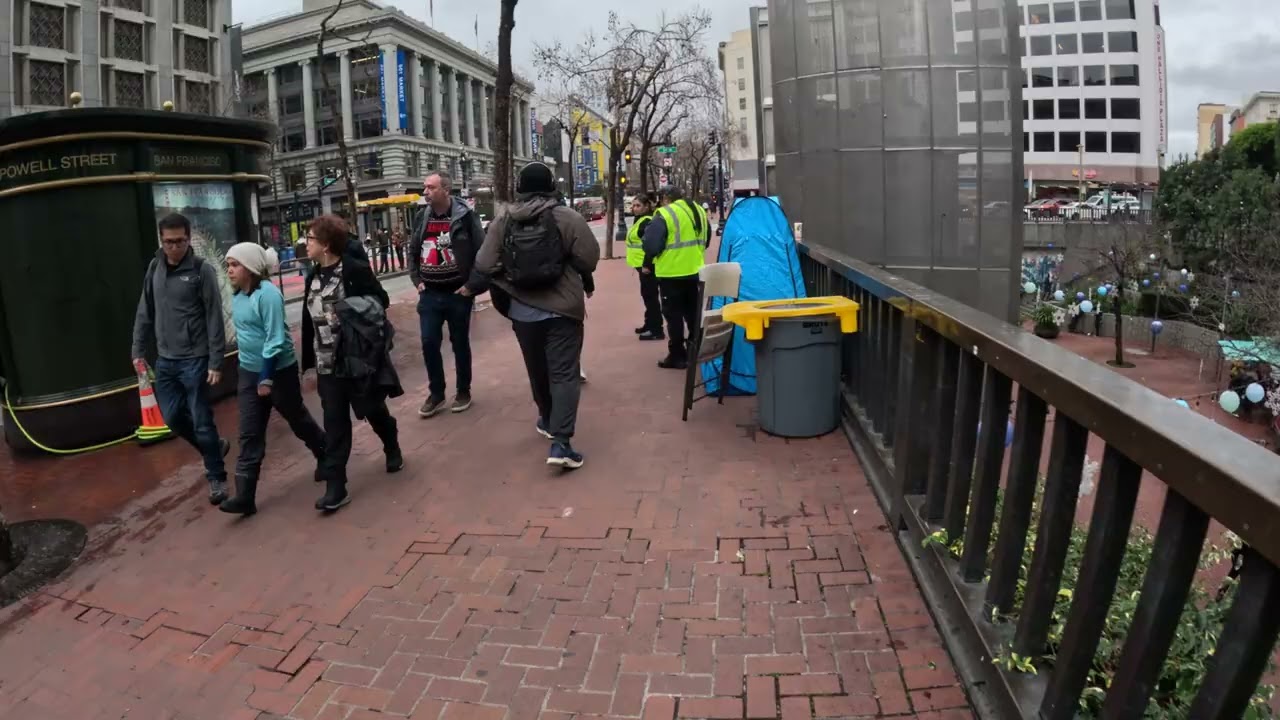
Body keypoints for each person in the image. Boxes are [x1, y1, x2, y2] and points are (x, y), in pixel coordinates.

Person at [475, 162, 599, 468]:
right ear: (550, 187)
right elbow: (589, 258)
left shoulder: (503, 221)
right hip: (563, 310)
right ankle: (561, 444)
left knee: (537, 370)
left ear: (520, 188)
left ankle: (545, 418)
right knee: (564, 374)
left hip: (523, 313)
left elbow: (484, 263)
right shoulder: (567, 217)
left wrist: (513, 278)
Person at [301, 214, 404, 512]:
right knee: (334, 423)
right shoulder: (313, 275)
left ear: (326, 243)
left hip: (356, 359)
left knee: (372, 409)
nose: (305, 243)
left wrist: (351, 310)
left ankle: (391, 442)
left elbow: (380, 301)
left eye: (310, 238)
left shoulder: (354, 270)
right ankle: (337, 486)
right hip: (327, 364)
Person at [219, 243, 326, 516]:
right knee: (249, 431)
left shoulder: (268, 295)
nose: (229, 270)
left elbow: (275, 338)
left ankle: (325, 453)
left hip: (279, 371)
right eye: (228, 265)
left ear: (251, 267)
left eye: (235, 265)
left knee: (296, 417)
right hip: (248, 371)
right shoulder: (238, 295)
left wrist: (266, 377)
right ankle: (245, 495)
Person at [131, 213, 231, 504]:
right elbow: (144, 311)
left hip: (196, 359)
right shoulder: (154, 268)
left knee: (201, 419)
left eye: (180, 241)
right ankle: (213, 447)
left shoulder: (202, 271)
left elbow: (215, 317)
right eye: (168, 242)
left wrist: (216, 360)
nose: (174, 247)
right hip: (166, 361)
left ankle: (217, 477)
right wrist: (137, 348)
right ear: (161, 241)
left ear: (189, 240)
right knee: (173, 418)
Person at [408, 171, 487, 418]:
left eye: (430, 188)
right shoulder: (422, 217)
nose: (425, 192)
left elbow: (482, 253)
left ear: (445, 189)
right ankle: (437, 393)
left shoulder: (465, 216)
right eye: (425, 188)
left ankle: (463, 390)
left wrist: (471, 286)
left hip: (457, 294)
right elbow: (412, 251)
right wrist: (417, 280)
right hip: (429, 294)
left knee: (459, 343)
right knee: (429, 342)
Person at [642, 186, 705, 370]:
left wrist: (650, 260)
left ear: (666, 198)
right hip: (695, 270)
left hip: (671, 273)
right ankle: (695, 350)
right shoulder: (698, 210)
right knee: (693, 313)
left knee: (674, 316)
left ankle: (677, 355)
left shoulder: (665, 213)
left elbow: (652, 245)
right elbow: (705, 239)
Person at [625, 193, 663, 341]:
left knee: (650, 297)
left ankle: (656, 329)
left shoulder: (646, 221)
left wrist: (647, 264)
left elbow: (649, 244)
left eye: (638, 205)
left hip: (647, 266)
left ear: (646, 206)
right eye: (633, 205)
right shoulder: (640, 220)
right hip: (641, 265)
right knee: (647, 295)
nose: (634, 208)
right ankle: (650, 324)